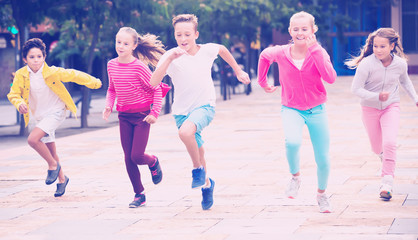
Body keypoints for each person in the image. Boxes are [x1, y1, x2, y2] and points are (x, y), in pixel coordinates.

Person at [150, 14, 250, 210]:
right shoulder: (171, 56)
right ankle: (206, 185)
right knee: (199, 149)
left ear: (196, 34)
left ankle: (197, 170)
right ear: (175, 35)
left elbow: (222, 49)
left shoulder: (207, 50)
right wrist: (169, 57)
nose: (183, 38)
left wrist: (238, 71)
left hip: (205, 106)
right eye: (179, 34)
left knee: (185, 133)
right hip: (181, 112)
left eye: (187, 34)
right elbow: (153, 82)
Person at [257, 11, 337, 213]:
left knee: (323, 159)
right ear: (289, 31)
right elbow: (264, 55)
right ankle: (295, 177)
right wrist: (262, 82)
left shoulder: (318, 52)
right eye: (296, 29)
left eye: (304, 29)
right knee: (292, 142)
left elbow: (331, 78)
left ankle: (321, 194)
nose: (300, 32)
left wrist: (316, 49)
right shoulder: (282, 51)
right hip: (291, 108)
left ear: (313, 31)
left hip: (317, 109)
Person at [7, 38, 102, 197]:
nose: (36, 60)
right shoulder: (21, 75)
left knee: (32, 140)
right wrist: (19, 104)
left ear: (44, 57)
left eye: (39, 56)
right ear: (25, 59)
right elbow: (13, 94)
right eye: (32, 57)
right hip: (40, 116)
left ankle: (52, 166)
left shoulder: (52, 72)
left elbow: (74, 74)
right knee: (51, 150)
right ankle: (62, 179)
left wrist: (94, 82)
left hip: (56, 111)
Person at [345, 28, 418, 201]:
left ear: (392, 46)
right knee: (377, 148)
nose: (378, 50)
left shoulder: (400, 64)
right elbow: (355, 89)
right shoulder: (366, 64)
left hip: (390, 106)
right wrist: (375, 96)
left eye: (382, 46)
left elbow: (405, 81)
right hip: (369, 109)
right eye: (376, 46)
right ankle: (385, 158)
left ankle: (387, 183)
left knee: (390, 142)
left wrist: (415, 98)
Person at [103, 27, 170, 208]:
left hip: (142, 117)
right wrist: (109, 105)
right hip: (124, 116)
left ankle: (153, 161)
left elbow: (156, 88)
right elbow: (112, 89)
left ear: (134, 46)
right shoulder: (111, 65)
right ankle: (139, 194)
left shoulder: (139, 67)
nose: (121, 46)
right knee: (127, 158)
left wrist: (154, 113)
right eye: (118, 42)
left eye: (126, 43)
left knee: (137, 155)